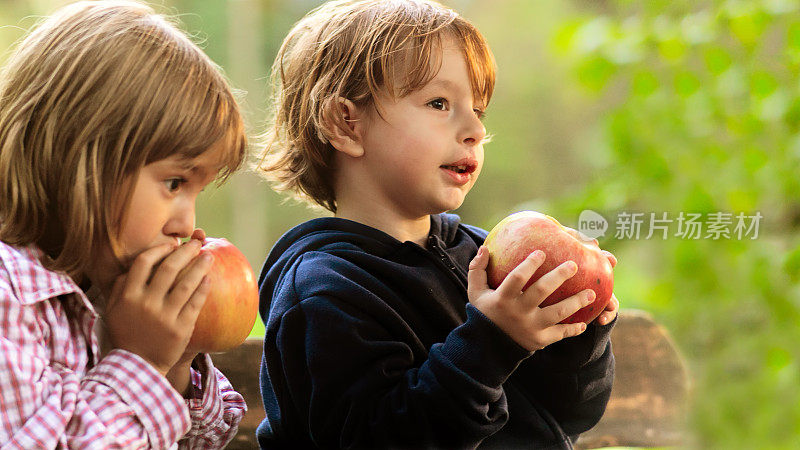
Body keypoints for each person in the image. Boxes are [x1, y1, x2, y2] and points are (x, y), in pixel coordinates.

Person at [256, 0, 619, 448]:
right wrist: (491, 344)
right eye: (439, 102)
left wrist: (578, 334)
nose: (474, 129)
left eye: (479, 110)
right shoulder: (324, 291)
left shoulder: (483, 258)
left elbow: (569, 414)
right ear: (347, 124)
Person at [0, 1, 248, 448]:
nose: (186, 224)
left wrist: (175, 365)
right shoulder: (9, 295)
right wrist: (141, 361)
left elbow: (199, 441)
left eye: (197, 191)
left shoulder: (107, 282)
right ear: (81, 159)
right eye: (174, 182)